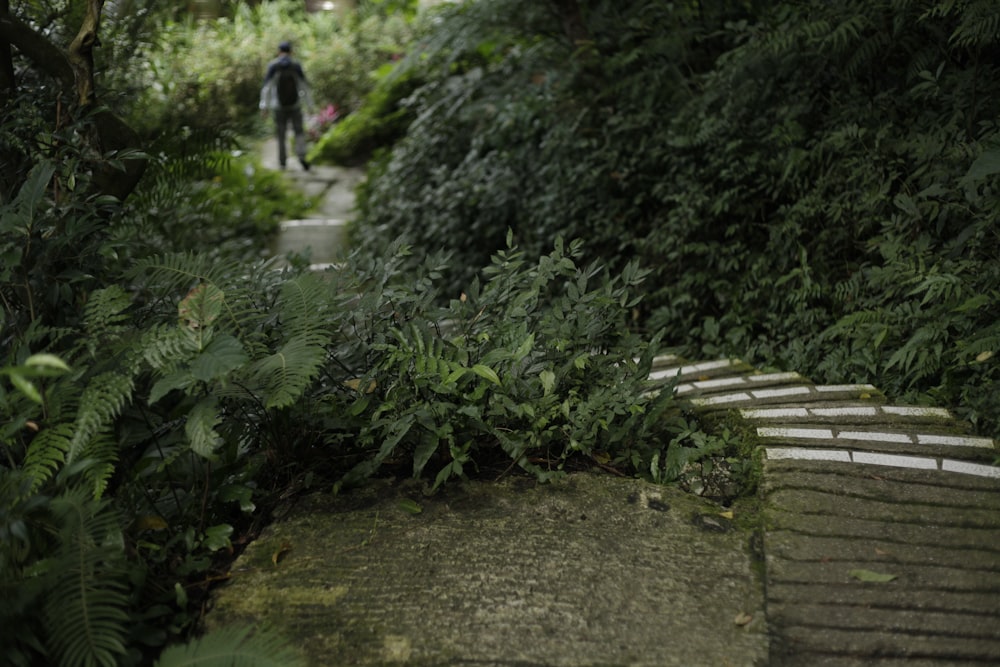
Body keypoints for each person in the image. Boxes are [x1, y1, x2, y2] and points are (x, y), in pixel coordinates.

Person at [260, 41, 313, 171]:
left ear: (279, 52)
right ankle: (302, 157)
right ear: (291, 52)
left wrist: (264, 107)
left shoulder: (273, 66)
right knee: (299, 132)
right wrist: (310, 106)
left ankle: (283, 162)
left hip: (278, 107)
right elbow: (304, 87)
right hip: (295, 106)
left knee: (281, 134)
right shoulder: (295, 65)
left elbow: (267, 88)